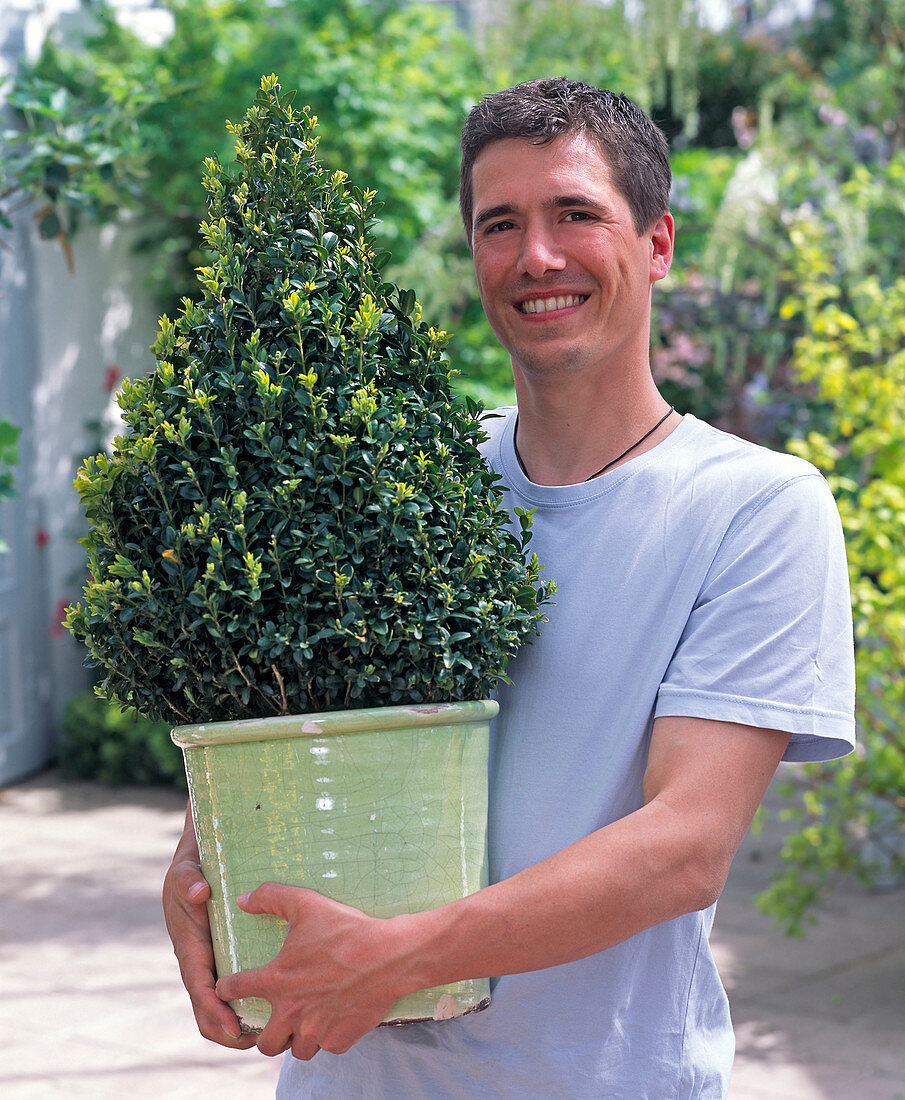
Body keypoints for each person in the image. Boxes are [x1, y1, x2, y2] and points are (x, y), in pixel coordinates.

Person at [163, 78, 856, 1098]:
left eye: (574, 213)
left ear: (656, 244)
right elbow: (291, 709)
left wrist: (397, 952)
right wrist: (196, 865)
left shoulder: (752, 507)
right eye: (500, 224)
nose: (536, 256)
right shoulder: (407, 481)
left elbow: (683, 845)